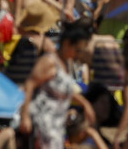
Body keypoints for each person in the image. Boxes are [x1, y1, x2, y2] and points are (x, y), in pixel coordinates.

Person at [19, 20, 96, 149]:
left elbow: (63, 90)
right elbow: (29, 85)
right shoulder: (49, 61)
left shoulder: (65, 63)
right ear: (67, 44)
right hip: (42, 121)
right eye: (77, 50)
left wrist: (85, 103)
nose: (78, 54)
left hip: (56, 123)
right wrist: (25, 116)